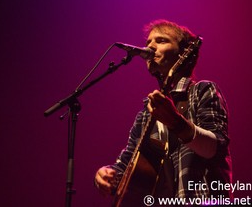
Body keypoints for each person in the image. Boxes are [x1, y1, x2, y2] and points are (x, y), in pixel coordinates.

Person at [94, 19, 232, 205]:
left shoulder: (202, 91)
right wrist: (107, 174)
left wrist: (176, 122)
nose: (150, 47)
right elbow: (127, 163)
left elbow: (216, 149)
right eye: (148, 42)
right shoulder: (145, 114)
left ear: (184, 53)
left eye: (161, 41)